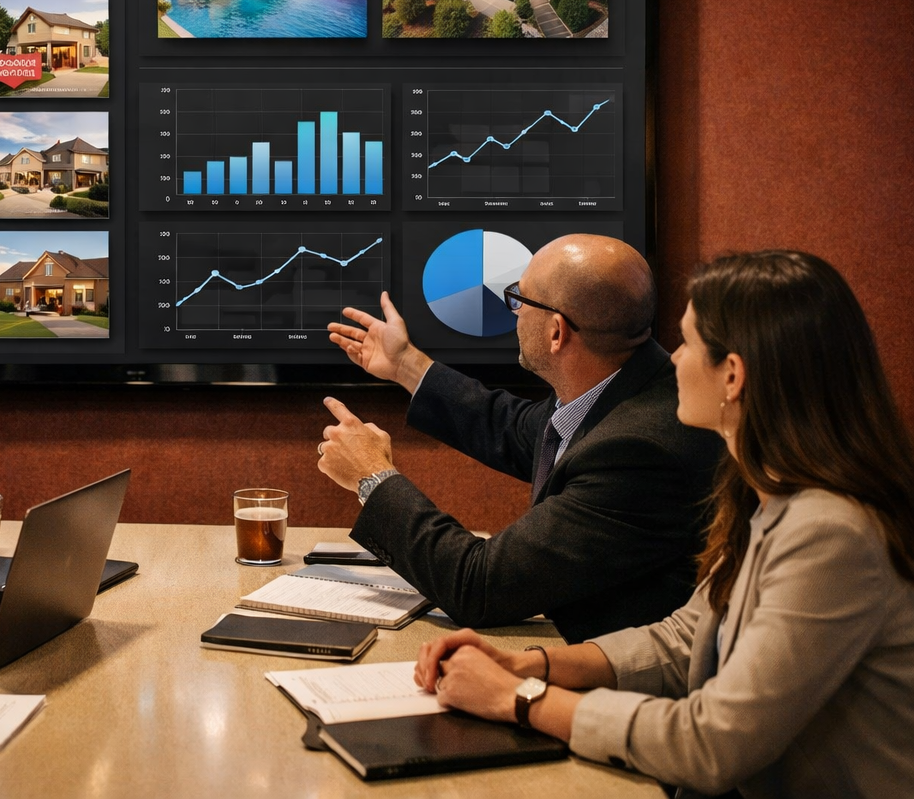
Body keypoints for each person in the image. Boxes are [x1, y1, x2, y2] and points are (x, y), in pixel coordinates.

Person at [412, 250, 914, 797]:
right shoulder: (763, 493)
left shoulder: (831, 534)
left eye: (689, 343)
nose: (672, 361)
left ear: (733, 375)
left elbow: (712, 744)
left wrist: (519, 699)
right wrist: (531, 664)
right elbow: (688, 638)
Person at [319, 235, 721, 642]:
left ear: (555, 332)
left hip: (615, 684)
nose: (514, 312)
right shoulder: (618, 383)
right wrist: (406, 364)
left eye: (519, 299)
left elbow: (478, 587)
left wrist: (373, 476)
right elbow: (513, 427)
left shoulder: (639, 451)